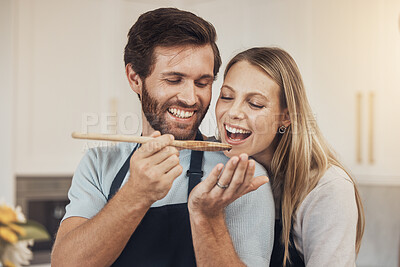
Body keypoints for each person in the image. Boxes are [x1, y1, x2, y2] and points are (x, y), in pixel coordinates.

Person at [51, 8, 275, 267]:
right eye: (174, 79)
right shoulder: (99, 164)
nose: (191, 98)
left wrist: (208, 217)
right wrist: (136, 193)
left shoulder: (240, 175)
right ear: (135, 78)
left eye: (202, 83)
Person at [210, 47, 365, 266]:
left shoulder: (328, 189)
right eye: (226, 96)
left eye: (255, 103)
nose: (233, 112)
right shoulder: (217, 166)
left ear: (286, 117)